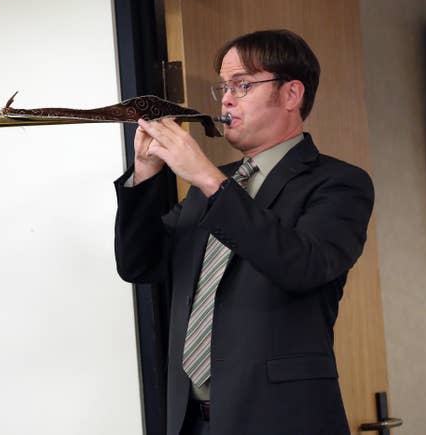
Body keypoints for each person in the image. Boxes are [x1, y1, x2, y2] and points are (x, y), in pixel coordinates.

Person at [114, 29, 374, 435]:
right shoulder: (214, 186)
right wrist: (145, 174)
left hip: (282, 421)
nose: (227, 99)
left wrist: (207, 178)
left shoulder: (338, 183)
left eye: (243, 85)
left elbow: (301, 265)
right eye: (224, 87)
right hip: (191, 422)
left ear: (291, 94)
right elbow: (139, 264)